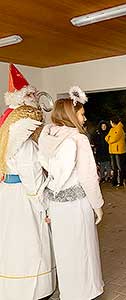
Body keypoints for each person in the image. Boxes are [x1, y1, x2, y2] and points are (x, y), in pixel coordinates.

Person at [38, 87, 104, 300]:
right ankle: (86, 292)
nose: (84, 118)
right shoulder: (78, 140)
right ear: (71, 114)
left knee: (64, 249)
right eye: (82, 114)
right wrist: (97, 205)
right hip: (76, 205)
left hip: (56, 205)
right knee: (83, 247)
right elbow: (88, 177)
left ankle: (68, 292)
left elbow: (45, 173)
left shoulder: (46, 138)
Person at [0, 65, 56, 300]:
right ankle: (35, 290)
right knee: (31, 243)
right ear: (24, 100)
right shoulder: (23, 134)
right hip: (24, 196)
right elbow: (31, 173)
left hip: (8, 194)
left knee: (10, 242)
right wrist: (42, 204)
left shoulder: (8, 127)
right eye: (31, 95)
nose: (35, 99)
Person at [105, 116, 126, 187]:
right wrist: (109, 138)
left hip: (119, 151)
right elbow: (106, 138)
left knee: (119, 167)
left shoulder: (119, 128)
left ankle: (120, 181)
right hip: (112, 150)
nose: (110, 123)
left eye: (110, 122)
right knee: (114, 167)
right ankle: (114, 181)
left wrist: (109, 139)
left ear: (113, 122)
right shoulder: (112, 129)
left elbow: (113, 139)